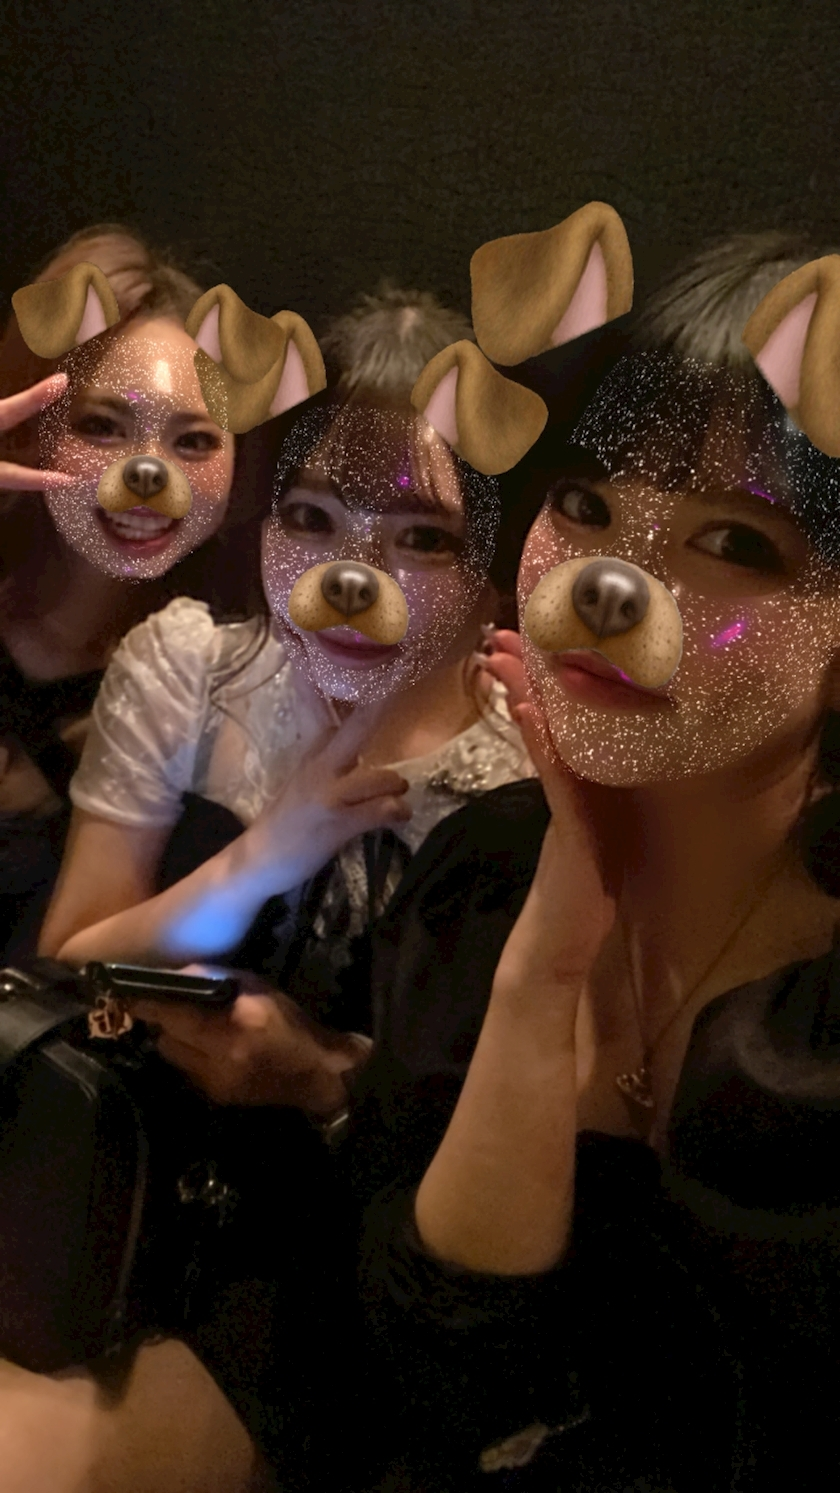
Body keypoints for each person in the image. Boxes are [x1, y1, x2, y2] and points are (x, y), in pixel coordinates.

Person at [334, 232, 840, 1491]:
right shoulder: (482, 875)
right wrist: (546, 964)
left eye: (739, 543)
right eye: (590, 506)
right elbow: (433, 1378)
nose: (616, 581)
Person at [0, 223, 260, 962]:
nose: (148, 475)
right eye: (103, 426)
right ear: (25, 429)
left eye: (194, 440)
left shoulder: (221, 682)